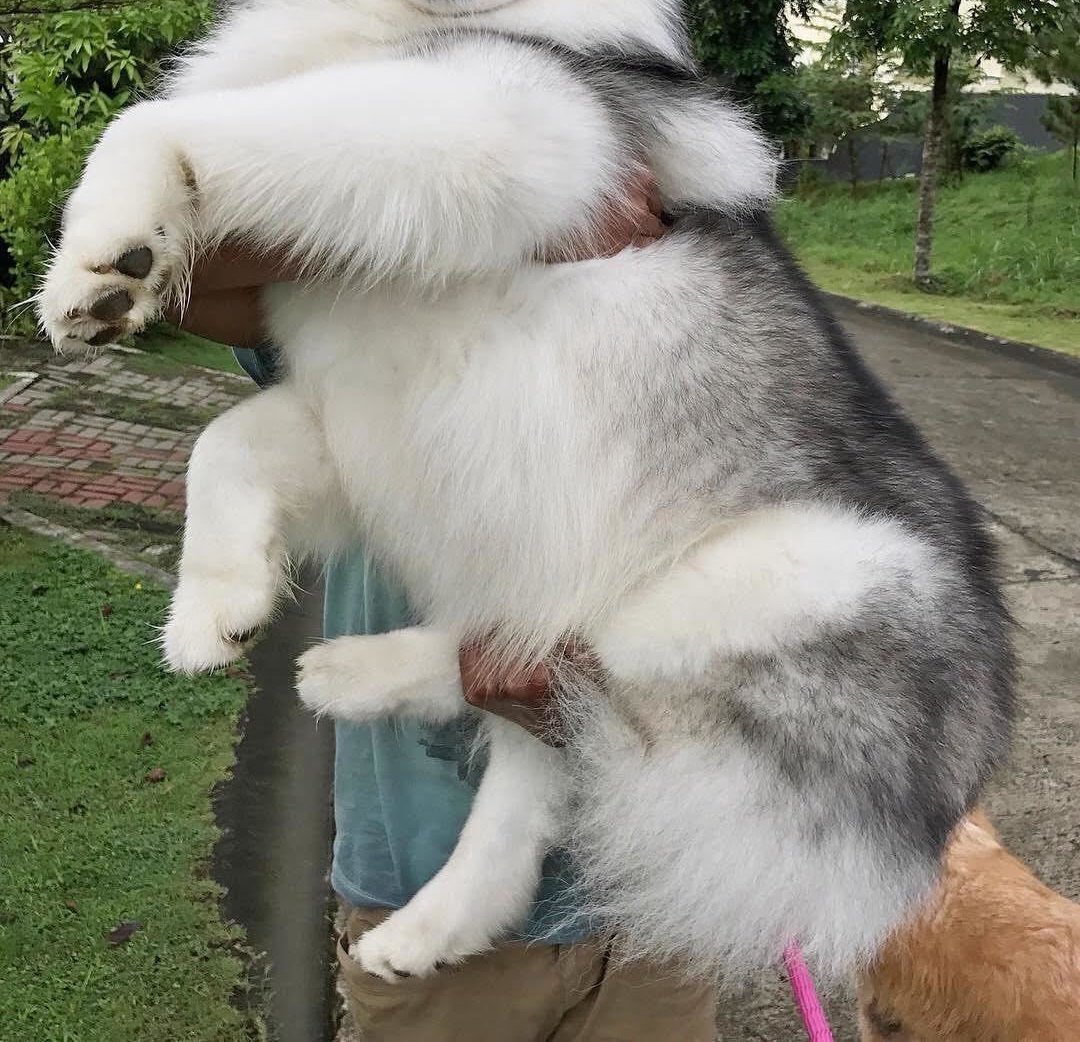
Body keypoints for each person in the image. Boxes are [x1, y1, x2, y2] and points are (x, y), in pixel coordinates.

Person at [173, 177, 719, 1042]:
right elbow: (181, 262)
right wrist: (481, 197)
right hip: (421, 881)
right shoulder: (378, 260)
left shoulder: (684, 284)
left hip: (666, 892)